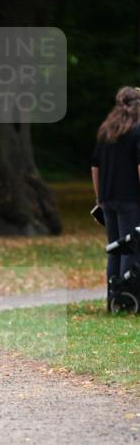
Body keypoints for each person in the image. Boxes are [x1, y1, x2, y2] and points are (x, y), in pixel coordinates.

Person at [91, 86, 140, 305]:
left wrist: (99, 197)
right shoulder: (137, 130)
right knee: (130, 248)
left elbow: (95, 167)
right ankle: (127, 299)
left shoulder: (106, 131)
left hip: (108, 198)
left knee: (114, 249)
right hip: (130, 199)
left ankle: (113, 296)